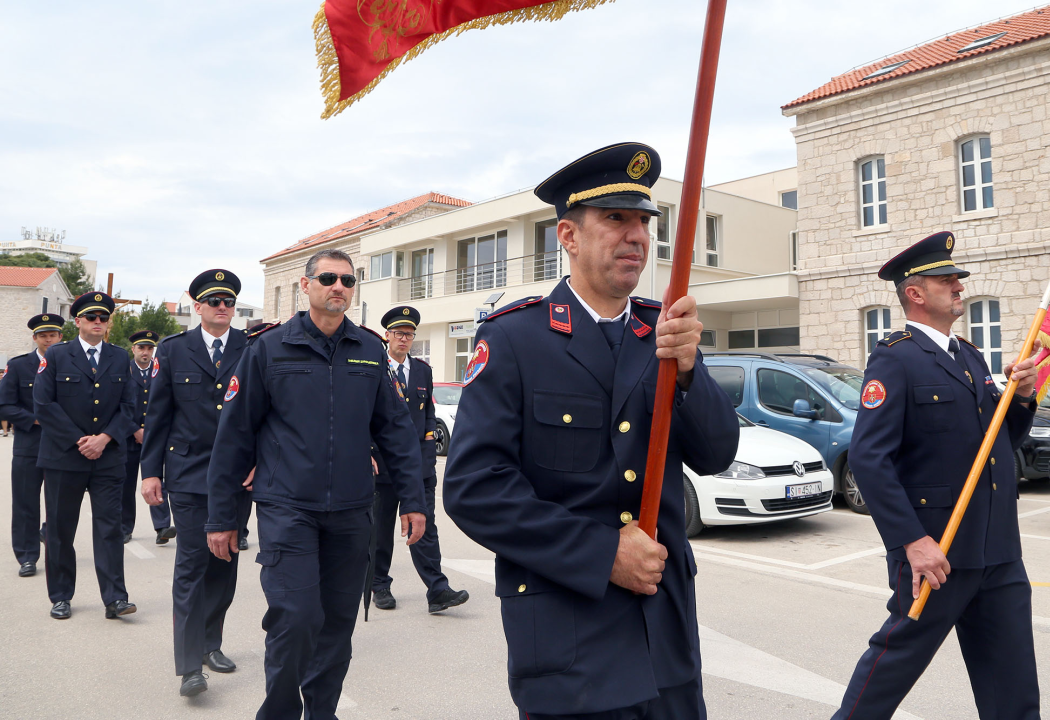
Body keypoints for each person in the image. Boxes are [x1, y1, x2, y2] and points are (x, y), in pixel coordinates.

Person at [443, 142, 740, 719]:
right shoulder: (514, 340)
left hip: (665, 640)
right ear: (568, 237)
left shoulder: (664, 332)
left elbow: (717, 455)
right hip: (568, 641)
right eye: (615, 219)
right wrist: (603, 553)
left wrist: (688, 372)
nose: (635, 236)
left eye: (643, 222)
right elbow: (475, 489)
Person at [205, 248, 428, 719]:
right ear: (306, 286)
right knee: (296, 618)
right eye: (328, 278)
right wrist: (224, 517)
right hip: (288, 508)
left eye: (348, 281)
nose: (339, 287)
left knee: (337, 626)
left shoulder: (370, 350)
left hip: (351, 512)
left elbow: (395, 433)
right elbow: (235, 437)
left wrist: (414, 499)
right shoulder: (268, 348)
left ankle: (322, 713)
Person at [831, 231, 1042, 719]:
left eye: (958, 280)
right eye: (947, 280)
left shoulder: (968, 356)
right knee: (890, 670)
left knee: (1013, 687)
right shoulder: (895, 357)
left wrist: (1024, 397)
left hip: (998, 551)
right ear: (915, 293)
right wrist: (912, 541)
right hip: (938, 551)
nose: (959, 287)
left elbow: (997, 441)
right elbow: (868, 457)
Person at [140, 270, 253, 697]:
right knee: (191, 566)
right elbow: (158, 416)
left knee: (224, 564)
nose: (222, 307)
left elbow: (264, 411)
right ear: (198, 306)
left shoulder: (251, 348)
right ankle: (190, 666)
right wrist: (150, 471)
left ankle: (211, 643)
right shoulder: (174, 350)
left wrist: (260, 462)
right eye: (214, 301)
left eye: (228, 301)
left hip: (237, 478)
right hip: (187, 477)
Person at [34, 292, 138, 620]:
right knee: (60, 529)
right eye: (91, 317)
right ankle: (61, 595)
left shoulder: (120, 358)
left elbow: (130, 406)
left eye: (103, 318)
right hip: (65, 457)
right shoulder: (58, 356)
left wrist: (105, 438)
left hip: (107, 458)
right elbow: (44, 405)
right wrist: (81, 440)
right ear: (77, 321)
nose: (97, 323)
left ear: (108, 323)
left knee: (110, 528)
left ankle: (115, 598)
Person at [371, 306, 469, 614]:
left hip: (418, 467)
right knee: (381, 528)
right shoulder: (374, 369)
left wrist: (427, 455)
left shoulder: (423, 370)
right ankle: (379, 584)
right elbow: (366, 417)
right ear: (387, 336)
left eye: (409, 334)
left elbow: (428, 418)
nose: (404, 339)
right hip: (383, 465)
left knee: (424, 525)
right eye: (398, 333)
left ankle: (437, 589)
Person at [0, 314, 63, 577]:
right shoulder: (19, 366)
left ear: (60, 336)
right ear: (34, 338)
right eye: (43, 336)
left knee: (60, 503)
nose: (48, 340)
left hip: (62, 445)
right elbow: (4, 405)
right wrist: (34, 419)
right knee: (25, 503)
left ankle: (55, 548)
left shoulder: (71, 363)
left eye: (53, 335)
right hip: (29, 444)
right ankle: (27, 556)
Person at [123, 330, 175, 544]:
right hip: (129, 437)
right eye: (141, 348)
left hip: (156, 438)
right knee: (126, 485)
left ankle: (162, 527)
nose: (145, 352)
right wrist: (135, 429)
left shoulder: (160, 370)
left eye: (149, 348)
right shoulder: (123, 371)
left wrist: (152, 433)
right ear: (133, 349)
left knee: (157, 482)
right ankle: (124, 527)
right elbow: (117, 405)